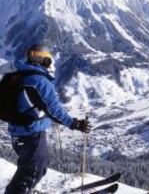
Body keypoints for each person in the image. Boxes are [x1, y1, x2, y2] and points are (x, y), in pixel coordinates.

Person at [3, 44, 92, 194]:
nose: (50, 65)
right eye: (49, 61)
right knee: (33, 170)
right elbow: (54, 109)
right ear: (43, 60)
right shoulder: (39, 81)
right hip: (32, 134)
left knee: (29, 169)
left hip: (18, 133)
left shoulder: (17, 74)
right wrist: (74, 123)